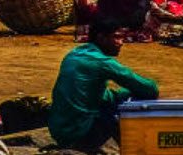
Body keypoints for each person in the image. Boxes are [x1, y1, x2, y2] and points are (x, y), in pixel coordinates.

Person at [48, 17, 159, 150]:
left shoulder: (73, 54)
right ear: (101, 38)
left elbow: (99, 96)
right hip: (79, 132)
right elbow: (150, 89)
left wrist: (123, 94)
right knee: (130, 105)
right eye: (116, 37)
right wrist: (132, 93)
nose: (121, 43)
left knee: (116, 100)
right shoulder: (102, 62)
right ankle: (135, 150)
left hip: (59, 131)